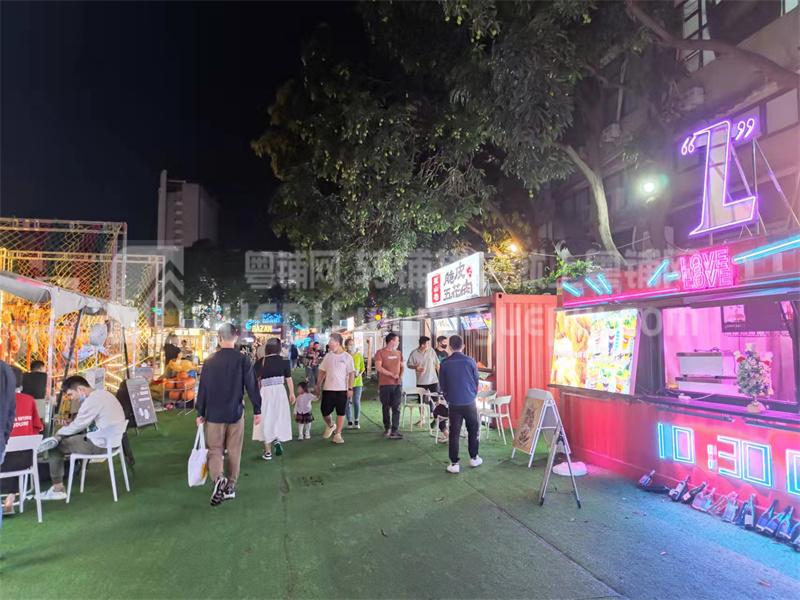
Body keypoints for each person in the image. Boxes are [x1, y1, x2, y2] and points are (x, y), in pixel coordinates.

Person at [195, 323, 261, 506]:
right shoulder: (243, 360)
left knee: (214, 449)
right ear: (235, 337)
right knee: (234, 450)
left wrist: (200, 411)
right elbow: (252, 385)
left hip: (214, 414)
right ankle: (230, 486)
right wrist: (257, 409)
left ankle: (218, 479)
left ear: (219, 338)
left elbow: (203, 388)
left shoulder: (209, 361)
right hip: (235, 412)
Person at [39, 375, 127, 500]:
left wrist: (58, 435)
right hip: (114, 441)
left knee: (54, 447)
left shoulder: (92, 400)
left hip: (100, 444)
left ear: (80, 389)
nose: (71, 398)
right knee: (70, 438)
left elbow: (78, 425)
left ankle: (57, 489)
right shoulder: (105, 394)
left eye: (71, 394)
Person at [2, 367, 44, 515]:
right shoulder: (29, 400)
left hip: (3, 460)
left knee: (6, 454)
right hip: (26, 460)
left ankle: (8, 499)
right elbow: (37, 428)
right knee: (14, 455)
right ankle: (10, 499)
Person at [438, 335, 482, 474]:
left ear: (450, 347)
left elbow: (442, 385)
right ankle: (474, 458)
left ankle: (454, 463)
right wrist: (472, 394)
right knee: (473, 430)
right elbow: (476, 381)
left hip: (454, 404)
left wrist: (448, 398)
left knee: (454, 433)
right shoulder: (470, 361)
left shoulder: (444, 363)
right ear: (463, 346)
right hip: (469, 402)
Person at [253, 337, 295, 461]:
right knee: (279, 416)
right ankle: (277, 438)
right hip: (280, 391)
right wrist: (292, 393)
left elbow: (254, 380)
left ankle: (268, 452)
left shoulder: (261, 362)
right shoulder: (284, 360)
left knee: (266, 418)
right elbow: (289, 379)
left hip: (265, 392)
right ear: (279, 348)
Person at [316, 333, 355, 445]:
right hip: (328, 389)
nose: (329, 344)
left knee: (341, 412)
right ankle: (331, 425)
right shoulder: (328, 356)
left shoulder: (347, 357)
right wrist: (318, 384)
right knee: (324, 411)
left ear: (337, 343)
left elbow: (351, 373)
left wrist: (350, 388)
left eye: (330, 342)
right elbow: (322, 371)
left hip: (342, 389)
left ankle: (338, 434)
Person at [375, 332, 404, 440]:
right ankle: (387, 428)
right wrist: (391, 374)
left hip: (397, 384)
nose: (398, 342)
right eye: (397, 340)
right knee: (386, 406)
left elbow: (402, 366)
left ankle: (394, 430)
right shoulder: (380, 353)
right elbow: (378, 367)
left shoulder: (399, 353)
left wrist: (400, 376)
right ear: (391, 341)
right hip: (385, 384)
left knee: (396, 407)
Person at [407, 336, 440, 425]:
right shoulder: (414, 353)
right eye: (427, 343)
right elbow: (409, 364)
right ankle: (422, 419)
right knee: (421, 401)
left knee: (437, 400)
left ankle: (438, 418)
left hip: (433, 380)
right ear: (422, 345)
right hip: (421, 381)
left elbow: (437, 364)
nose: (429, 345)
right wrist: (416, 367)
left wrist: (440, 376)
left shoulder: (431, 351)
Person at [344, 338, 365, 429]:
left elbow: (362, 368)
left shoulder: (359, 355)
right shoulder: (344, 355)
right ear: (346, 346)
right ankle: (349, 420)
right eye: (349, 344)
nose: (351, 346)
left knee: (356, 401)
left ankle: (356, 420)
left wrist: (359, 374)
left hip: (358, 382)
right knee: (347, 402)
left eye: (352, 344)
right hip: (346, 383)